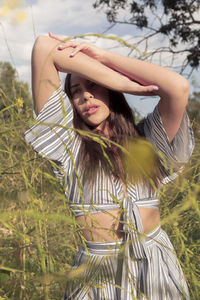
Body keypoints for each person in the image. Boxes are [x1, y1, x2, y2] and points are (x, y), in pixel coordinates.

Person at [24, 33, 194, 300]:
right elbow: (44, 46)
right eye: (76, 91)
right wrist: (117, 81)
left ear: (112, 92)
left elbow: (177, 86)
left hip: (157, 266)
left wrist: (104, 60)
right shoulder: (68, 146)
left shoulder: (148, 140)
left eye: (94, 85)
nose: (85, 96)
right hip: (97, 275)